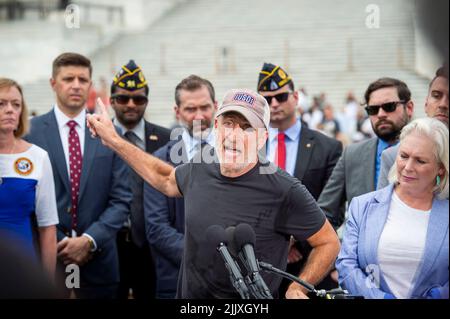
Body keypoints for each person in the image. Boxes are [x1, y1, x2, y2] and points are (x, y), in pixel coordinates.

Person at [87, 88, 340, 299]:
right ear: (217, 127)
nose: (234, 136)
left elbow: (328, 242)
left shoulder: (284, 189)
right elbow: (164, 178)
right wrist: (112, 139)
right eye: (228, 124)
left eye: (247, 128)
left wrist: (299, 285)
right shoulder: (198, 168)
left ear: (263, 137)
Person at [26, 53, 132, 299]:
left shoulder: (111, 133)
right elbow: (27, 197)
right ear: (53, 83)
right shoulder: (30, 133)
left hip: (100, 263)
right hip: (49, 265)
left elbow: (122, 199)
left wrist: (89, 240)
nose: (76, 85)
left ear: (90, 85)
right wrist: (62, 243)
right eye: (68, 78)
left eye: (83, 79)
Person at [336, 117, 449, 299]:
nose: (408, 167)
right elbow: (346, 265)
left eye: (420, 161)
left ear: (440, 168)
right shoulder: (362, 206)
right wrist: (379, 297)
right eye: (404, 156)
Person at [257, 63, 343, 294]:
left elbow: (332, 205)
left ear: (295, 97)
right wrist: (278, 241)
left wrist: (295, 238)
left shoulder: (327, 147)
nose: (274, 104)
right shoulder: (249, 146)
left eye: (281, 96)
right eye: (267, 99)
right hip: (260, 262)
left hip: (310, 258)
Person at [144, 75, 217, 298]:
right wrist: (205, 257)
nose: (199, 116)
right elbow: (157, 227)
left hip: (230, 283)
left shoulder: (238, 153)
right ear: (177, 112)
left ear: (216, 106)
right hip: (178, 279)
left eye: (205, 107)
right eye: (190, 109)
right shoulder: (159, 160)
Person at [317, 78, 414, 229]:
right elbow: (326, 212)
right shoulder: (352, 154)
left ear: (409, 108)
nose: (381, 114)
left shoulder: (430, 152)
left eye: (389, 106)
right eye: (373, 109)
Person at [110, 60, 170, 299]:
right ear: (112, 100)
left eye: (139, 99)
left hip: (153, 246)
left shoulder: (166, 138)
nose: (131, 105)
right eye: (123, 98)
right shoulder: (96, 136)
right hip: (109, 244)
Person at [0, 78, 58, 279]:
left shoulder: (37, 157)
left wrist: (47, 285)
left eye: (16, 104)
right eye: (1, 103)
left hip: (23, 270)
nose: (10, 110)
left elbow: (48, 227)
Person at [377, 66, 449, 190]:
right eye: (436, 96)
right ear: (426, 104)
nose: (443, 104)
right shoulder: (392, 156)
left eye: (420, 161)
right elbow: (381, 205)